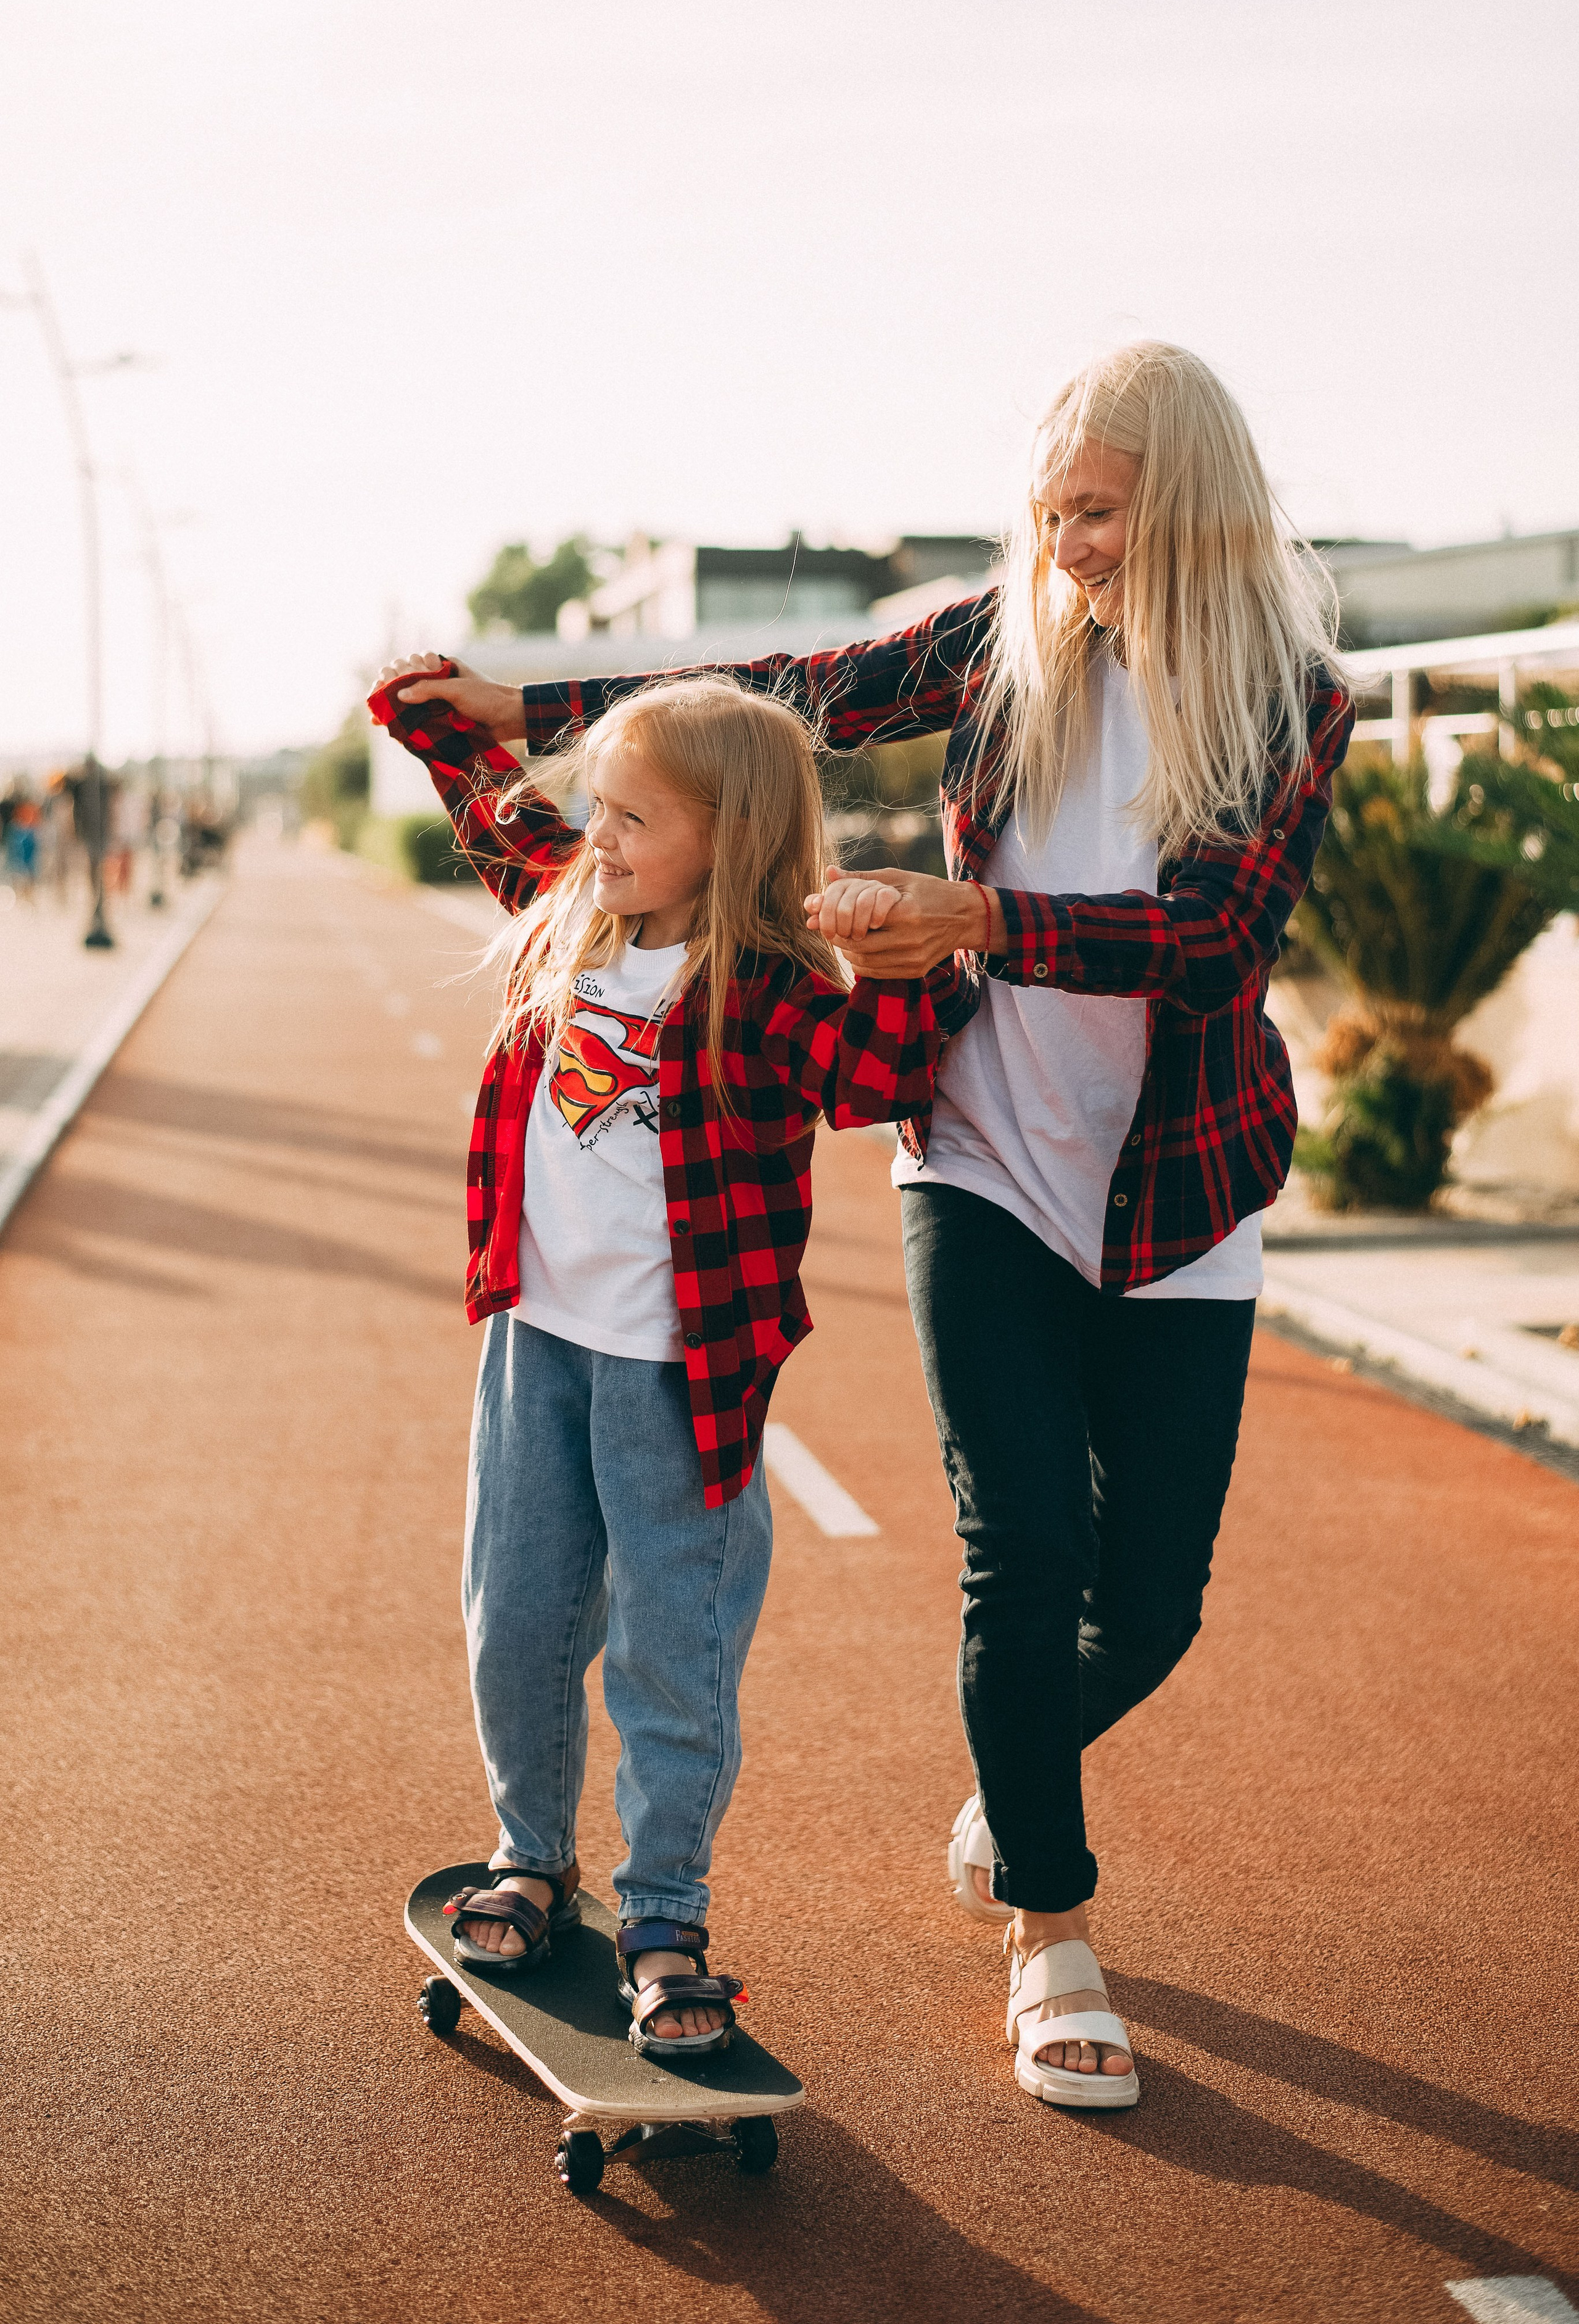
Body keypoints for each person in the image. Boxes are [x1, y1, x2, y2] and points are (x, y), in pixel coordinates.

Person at [387, 340, 1354, 2107]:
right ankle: (1050, 1930)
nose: (1066, 547)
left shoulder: (1290, 700)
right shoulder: (1003, 645)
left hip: (1177, 1192)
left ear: (1193, 501)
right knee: (1020, 1560)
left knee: (1150, 1603)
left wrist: (972, 916)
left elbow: (1216, 942)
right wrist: (530, 711)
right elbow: (777, 697)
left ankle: (1013, 1774)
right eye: (1049, 513)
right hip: (975, 1153)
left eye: (1099, 514)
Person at [366, 667, 942, 2052]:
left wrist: (895, 954)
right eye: (600, 809)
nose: (602, 835)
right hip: (537, 1347)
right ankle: (529, 1856)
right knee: (515, 1619)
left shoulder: (767, 989)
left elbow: (884, 1081)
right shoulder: (571, 909)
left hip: (681, 1377)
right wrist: (436, 704)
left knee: (671, 1656)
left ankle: (666, 1917)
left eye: (635, 817)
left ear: (727, 837)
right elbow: (479, 791)